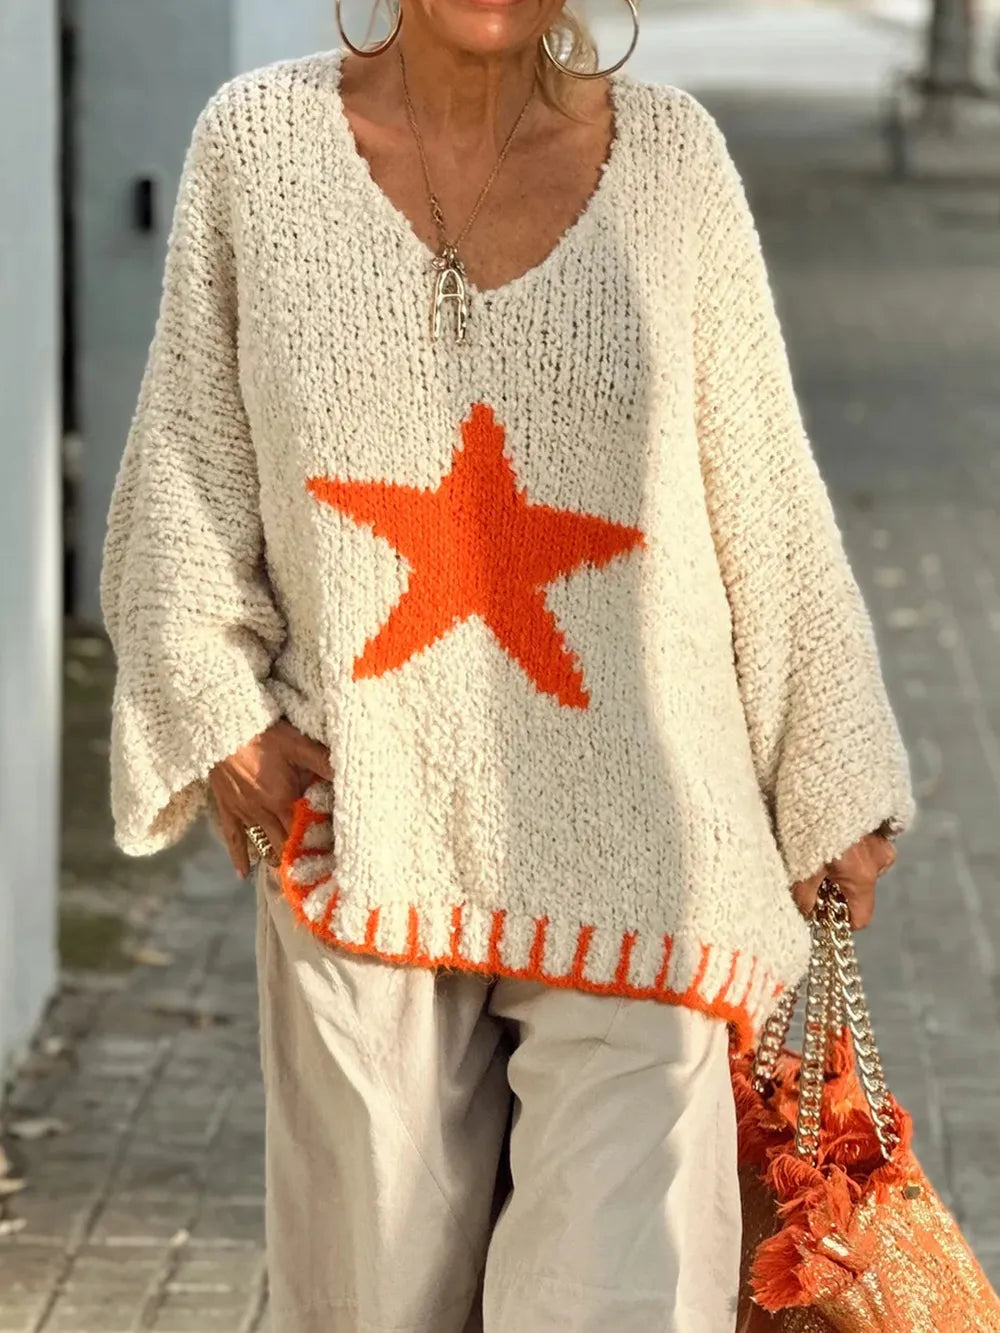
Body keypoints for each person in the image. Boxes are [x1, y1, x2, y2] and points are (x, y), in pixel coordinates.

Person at [98, 0, 915, 1326]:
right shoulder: (257, 147)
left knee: (623, 1301)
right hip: (366, 841)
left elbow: (763, 488)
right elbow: (187, 465)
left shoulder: (671, 163)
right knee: (372, 1306)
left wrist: (829, 769)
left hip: (646, 855)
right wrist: (218, 714)